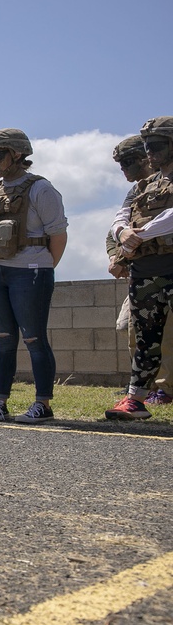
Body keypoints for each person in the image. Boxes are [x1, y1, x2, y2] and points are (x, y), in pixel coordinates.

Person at [0, 128, 68, 423]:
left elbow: (58, 235)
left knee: (34, 339)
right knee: (2, 340)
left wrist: (42, 266)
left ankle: (43, 404)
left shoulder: (41, 189)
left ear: (17, 154)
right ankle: (0, 403)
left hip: (30, 272)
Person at [107, 116, 173, 420]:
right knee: (145, 339)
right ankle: (135, 401)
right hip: (146, 272)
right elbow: (121, 217)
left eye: (156, 145)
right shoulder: (145, 185)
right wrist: (122, 234)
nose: (150, 152)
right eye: (146, 146)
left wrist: (140, 234)